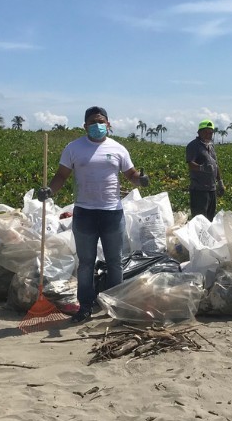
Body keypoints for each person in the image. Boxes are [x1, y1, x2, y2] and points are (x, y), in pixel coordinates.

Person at [36, 106, 149, 322]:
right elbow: (61, 175)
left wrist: (140, 180)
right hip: (85, 213)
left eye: (102, 121)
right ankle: (85, 307)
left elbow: (131, 174)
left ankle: (114, 306)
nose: (98, 126)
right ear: (85, 126)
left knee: (115, 261)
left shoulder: (118, 149)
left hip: (112, 214)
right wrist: (50, 191)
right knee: (86, 262)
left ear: (108, 125)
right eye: (93, 122)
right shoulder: (74, 148)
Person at [186, 119, 224, 220]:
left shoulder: (211, 146)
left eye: (210, 132)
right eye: (205, 132)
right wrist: (202, 168)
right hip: (199, 190)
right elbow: (190, 164)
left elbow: (216, 165)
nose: (208, 135)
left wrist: (220, 183)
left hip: (211, 189)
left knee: (210, 219)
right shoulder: (193, 145)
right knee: (200, 220)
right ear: (199, 132)